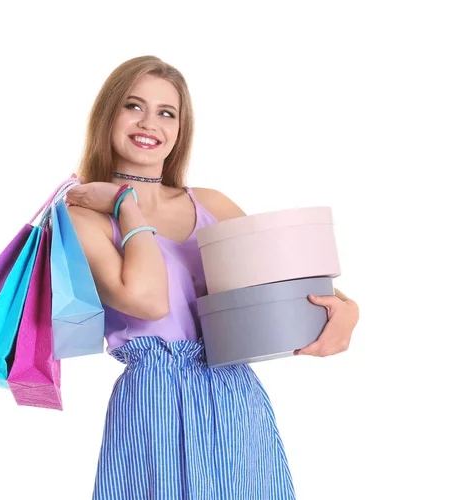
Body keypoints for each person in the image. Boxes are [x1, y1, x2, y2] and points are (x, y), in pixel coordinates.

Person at [65, 55, 359, 500]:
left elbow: (303, 289)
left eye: (167, 113)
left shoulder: (212, 206)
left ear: (180, 131)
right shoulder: (81, 217)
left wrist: (349, 310)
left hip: (233, 393)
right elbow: (148, 302)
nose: (150, 123)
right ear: (109, 113)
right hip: (153, 403)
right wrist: (126, 201)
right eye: (134, 106)